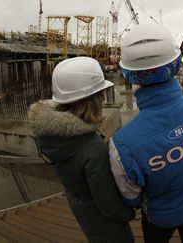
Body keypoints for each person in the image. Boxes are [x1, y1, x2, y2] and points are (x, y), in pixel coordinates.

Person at [109, 23, 183, 243]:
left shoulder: (122, 146)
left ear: (129, 75)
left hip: (159, 219)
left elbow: (130, 196)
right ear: (176, 64)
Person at [28, 57, 135, 243]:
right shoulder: (92, 150)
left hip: (82, 210)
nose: (103, 97)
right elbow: (109, 205)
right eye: (99, 93)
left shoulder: (50, 136)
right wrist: (129, 213)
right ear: (89, 100)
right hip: (108, 227)